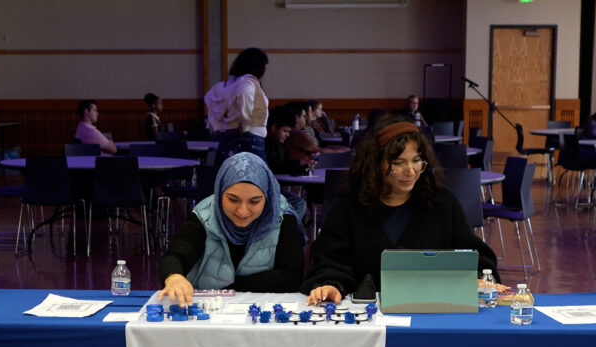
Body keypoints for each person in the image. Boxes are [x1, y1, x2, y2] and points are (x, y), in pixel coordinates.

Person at [302, 116, 497, 304]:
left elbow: (475, 258)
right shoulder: (349, 206)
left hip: (432, 315)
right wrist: (330, 285)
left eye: (416, 161)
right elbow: (329, 262)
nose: (410, 171)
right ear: (376, 164)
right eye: (399, 163)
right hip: (367, 319)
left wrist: (480, 278)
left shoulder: (442, 203)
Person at [158, 152, 305, 306]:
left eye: (254, 202)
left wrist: (232, 289)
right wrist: (174, 276)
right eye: (233, 200)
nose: (242, 211)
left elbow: (291, 277)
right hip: (208, 311)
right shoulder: (204, 216)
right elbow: (175, 256)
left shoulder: (282, 218)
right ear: (220, 192)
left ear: (267, 198)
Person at [204, 48, 270, 166]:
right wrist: (245, 126)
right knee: (252, 180)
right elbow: (245, 99)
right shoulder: (247, 83)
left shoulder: (230, 83)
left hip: (232, 136)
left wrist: (220, 124)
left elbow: (209, 97)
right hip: (249, 138)